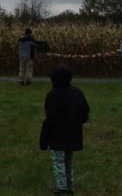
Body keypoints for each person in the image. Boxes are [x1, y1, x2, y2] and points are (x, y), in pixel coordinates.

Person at [39, 65, 90, 195]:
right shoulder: (77, 92)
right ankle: (69, 186)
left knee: (58, 162)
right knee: (68, 161)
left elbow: (50, 119)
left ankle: (61, 188)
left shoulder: (53, 95)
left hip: (57, 135)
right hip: (74, 133)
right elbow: (85, 112)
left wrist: (43, 140)